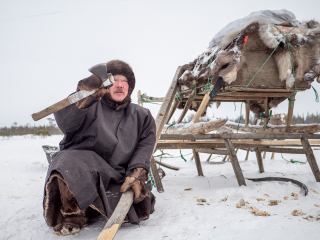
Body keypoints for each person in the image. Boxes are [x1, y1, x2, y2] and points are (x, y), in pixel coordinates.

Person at [43, 60, 157, 236]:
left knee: (139, 204)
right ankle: (73, 214)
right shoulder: (89, 104)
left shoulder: (142, 116)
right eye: (114, 80)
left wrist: (137, 173)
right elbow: (65, 123)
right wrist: (83, 95)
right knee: (66, 160)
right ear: (105, 85)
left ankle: (92, 206)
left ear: (130, 87)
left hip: (119, 177)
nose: (119, 85)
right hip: (81, 171)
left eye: (124, 81)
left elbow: (145, 146)